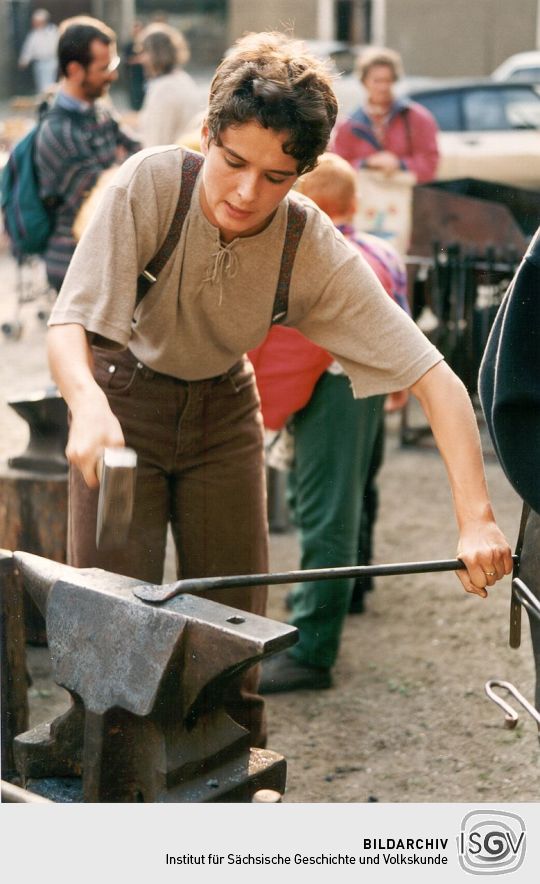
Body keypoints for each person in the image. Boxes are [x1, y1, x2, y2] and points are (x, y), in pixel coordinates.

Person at [46, 32, 512, 748]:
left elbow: (436, 379)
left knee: (231, 634)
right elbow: (69, 323)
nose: (245, 192)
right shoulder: (151, 183)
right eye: (233, 163)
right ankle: (103, 786)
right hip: (119, 402)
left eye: (275, 177)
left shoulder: (308, 243)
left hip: (225, 413)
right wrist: (86, 404)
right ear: (207, 134)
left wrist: (476, 517)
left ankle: (234, 793)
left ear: (305, 171)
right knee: (110, 626)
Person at [248, 152, 410, 692]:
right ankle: (354, 588)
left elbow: (291, 343)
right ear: (354, 203)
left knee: (322, 510)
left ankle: (313, 648)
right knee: (358, 491)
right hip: (370, 381)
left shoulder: (313, 254)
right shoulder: (381, 249)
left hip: (331, 384)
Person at [35, 16, 141, 293]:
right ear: (74, 70)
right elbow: (105, 194)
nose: (113, 75)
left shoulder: (101, 110)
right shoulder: (57, 133)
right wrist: (119, 168)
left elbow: (139, 154)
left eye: (113, 64)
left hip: (105, 256)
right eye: (104, 68)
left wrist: (117, 168)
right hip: (74, 266)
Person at [329, 45, 439, 184]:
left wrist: (400, 164)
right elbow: (336, 168)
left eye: (388, 80)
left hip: (409, 197)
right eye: (377, 81)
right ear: (364, 82)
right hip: (364, 200)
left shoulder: (418, 118)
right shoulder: (349, 125)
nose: (383, 87)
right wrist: (367, 163)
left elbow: (430, 164)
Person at [137, 22, 201, 148]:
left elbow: (155, 144)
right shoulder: (183, 79)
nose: (141, 59)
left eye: (144, 52)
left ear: (156, 53)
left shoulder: (163, 89)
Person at [18, 8, 58, 95]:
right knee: (40, 84)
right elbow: (28, 48)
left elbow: (57, 45)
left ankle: (48, 102)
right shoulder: (33, 34)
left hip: (51, 60)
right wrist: (24, 60)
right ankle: (42, 103)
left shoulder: (53, 31)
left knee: (48, 83)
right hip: (39, 62)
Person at [122, 20, 146, 112]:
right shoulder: (129, 45)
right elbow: (127, 60)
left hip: (145, 76)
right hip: (134, 76)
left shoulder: (146, 44)